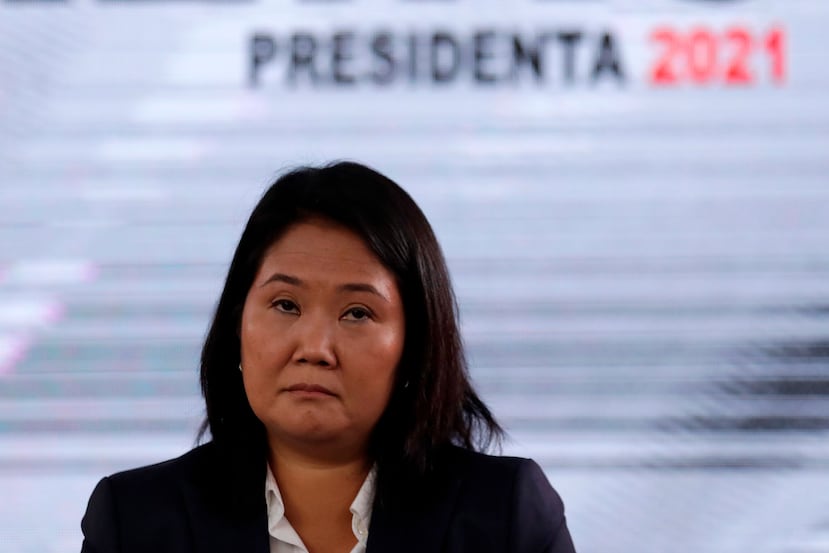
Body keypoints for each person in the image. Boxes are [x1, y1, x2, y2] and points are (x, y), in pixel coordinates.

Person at [80, 161, 576, 553]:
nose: (315, 349)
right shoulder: (135, 522)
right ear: (236, 324)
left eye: (357, 313)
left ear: (414, 346)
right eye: (285, 305)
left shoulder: (506, 517)